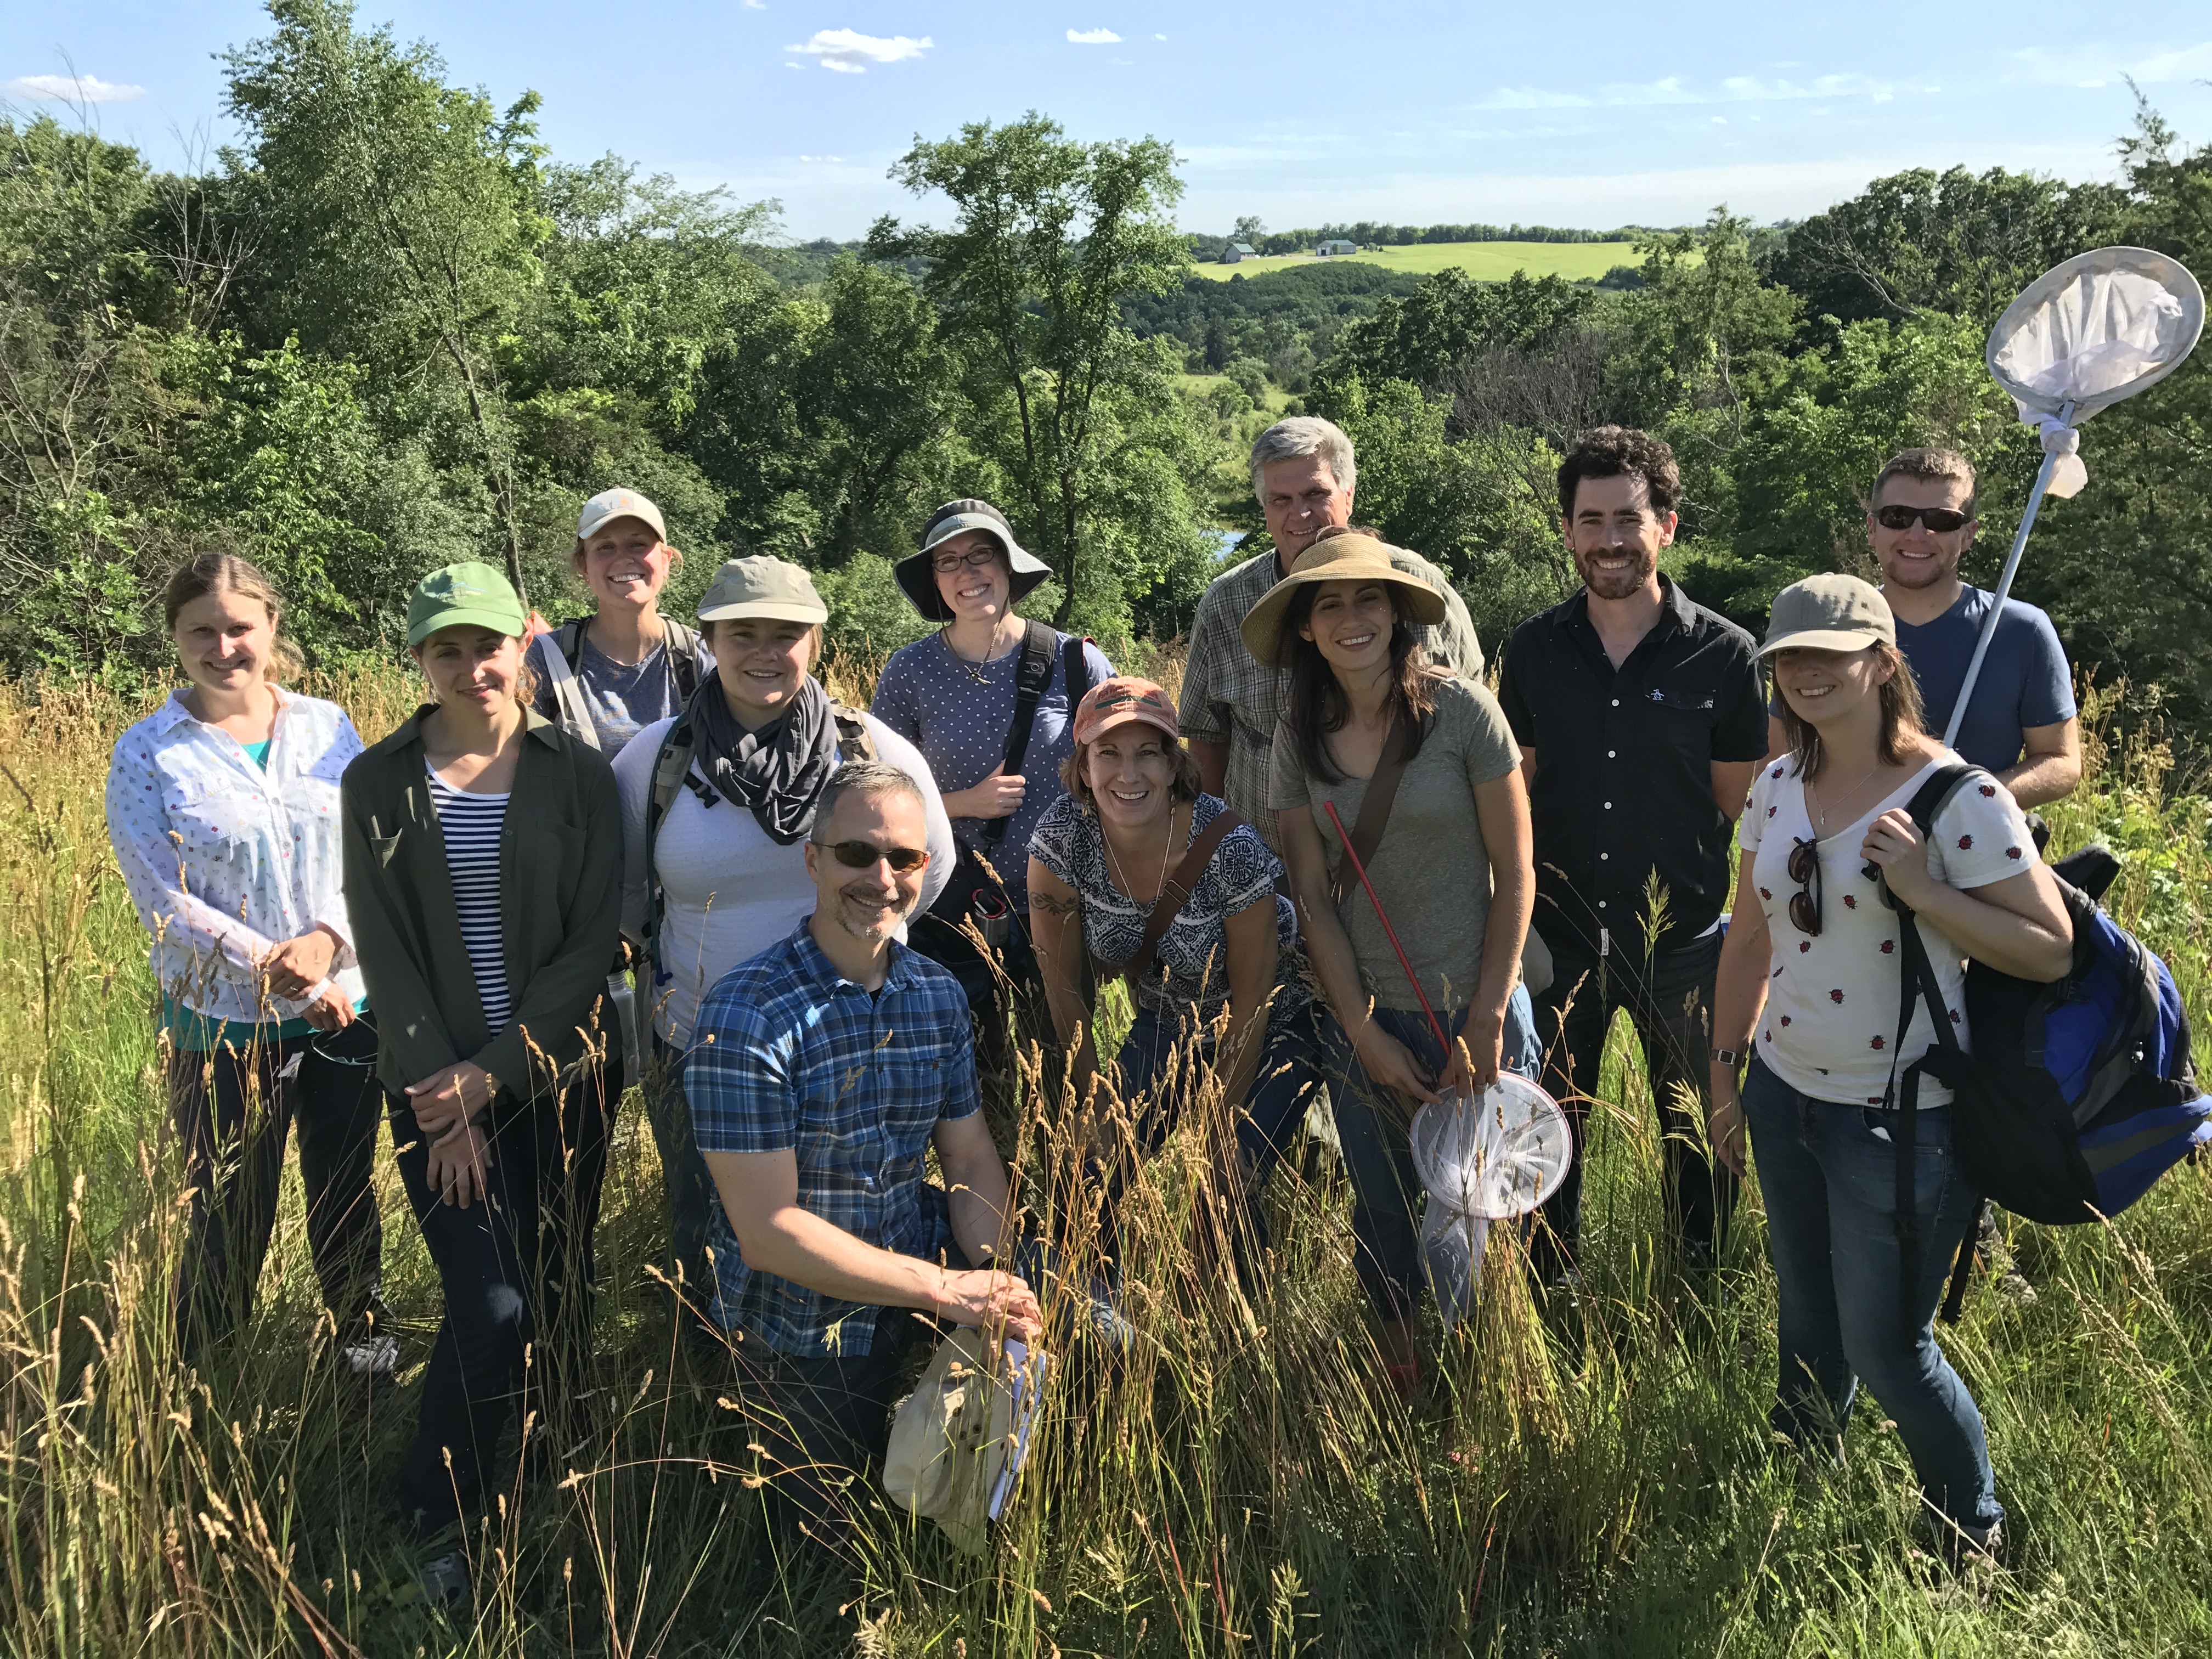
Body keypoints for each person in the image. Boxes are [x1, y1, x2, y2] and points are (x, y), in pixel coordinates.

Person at [1710, 573, 2073, 1564]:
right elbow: (1746, 937)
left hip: (1902, 1116)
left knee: (1889, 1348)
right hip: (1783, 1090)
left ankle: (1970, 1527)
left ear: (1882, 660)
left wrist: (1919, 886)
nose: (1809, 671)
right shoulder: (1779, 782)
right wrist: (1723, 1074)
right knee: (1803, 1309)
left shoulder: (1958, 795)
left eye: (1833, 652)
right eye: (1790, 656)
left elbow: (2047, 945)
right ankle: (1799, 1473)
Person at [341, 562, 624, 1607]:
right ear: (419, 659)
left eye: (487, 645)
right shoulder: (376, 781)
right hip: (427, 1088)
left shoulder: (578, 774)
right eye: (445, 649)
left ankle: (545, 1480)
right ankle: (435, 1510)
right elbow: (387, 950)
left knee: (556, 1279)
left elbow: (593, 944)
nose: (471, 667)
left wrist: (492, 1074)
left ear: (524, 647)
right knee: (488, 1297)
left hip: (563, 1078)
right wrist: (444, 1093)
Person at [684, 761, 1039, 1545]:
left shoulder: (936, 994)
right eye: (857, 854)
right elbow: (769, 1232)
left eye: (905, 859)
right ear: (813, 861)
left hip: (920, 1292)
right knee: (826, 1549)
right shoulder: (746, 1015)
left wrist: (996, 1278)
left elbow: (971, 1156)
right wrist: (953, 1290)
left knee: (975, 1502)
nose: (882, 878)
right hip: (803, 1329)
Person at [612, 556, 955, 1324]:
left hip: (849, 1044)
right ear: (708, 640)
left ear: (817, 642)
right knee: (704, 1226)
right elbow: (628, 893)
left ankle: (841, 1368)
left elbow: (929, 867)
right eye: (743, 634)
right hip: (699, 1041)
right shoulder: (656, 759)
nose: (765, 652)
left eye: (786, 634)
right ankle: (711, 1381)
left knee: (844, 1219)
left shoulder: (870, 752)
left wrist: (870, 951)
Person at [1258, 532, 1539, 1397]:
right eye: (1330, 604)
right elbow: (1310, 894)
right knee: (1382, 1209)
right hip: (1370, 1018)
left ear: (1398, 613)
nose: (1352, 619)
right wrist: (1360, 1030)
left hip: (1478, 1006)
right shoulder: (1293, 738)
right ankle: (1404, 1367)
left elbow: (1517, 871)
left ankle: (1483, 1377)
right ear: (1305, 628)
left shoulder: (1463, 713)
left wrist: (1488, 1016)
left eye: (1369, 600)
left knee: (1477, 1215)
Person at [106, 554, 390, 1381]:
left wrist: (329, 943)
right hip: (221, 1021)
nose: (224, 646)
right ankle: (202, 1390)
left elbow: (374, 847)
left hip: (346, 1004)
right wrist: (274, 963)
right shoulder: (149, 751)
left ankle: (366, 1365)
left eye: (240, 627)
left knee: (346, 1193)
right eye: (203, 630)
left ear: (271, 629)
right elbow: (160, 892)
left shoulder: (330, 726)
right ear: (175, 638)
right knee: (230, 1211)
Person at [1498, 427, 1768, 1284]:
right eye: (1591, 521)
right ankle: (1553, 1281)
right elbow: (1518, 793)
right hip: (1559, 940)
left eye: (1628, 519)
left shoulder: (1725, 654)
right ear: (1570, 532)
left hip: (1684, 943)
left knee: (1698, 1128)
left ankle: (1701, 1279)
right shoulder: (1532, 651)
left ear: (1667, 527)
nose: (1610, 540)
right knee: (1550, 1125)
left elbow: (1741, 806)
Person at [1025, 678, 1324, 1263]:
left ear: (1173, 765)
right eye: (1108, 753)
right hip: (1169, 1020)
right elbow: (1063, 987)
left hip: (1277, 1025)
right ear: (1083, 767)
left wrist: (1220, 1122)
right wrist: (1094, 1104)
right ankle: (1099, 1310)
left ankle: (1229, 1327)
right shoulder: (1062, 840)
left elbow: (1254, 999)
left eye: (1147, 753)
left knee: (1224, 1186)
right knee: (1083, 1177)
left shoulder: (1231, 847)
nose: (1128, 775)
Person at [1180, 416, 1487, 852]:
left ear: (1349, 495)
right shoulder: (1228, 603)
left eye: (1315, 494)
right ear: (1264, 510)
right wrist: (1212, 857)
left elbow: (1473, 728)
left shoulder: (1417, 585)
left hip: (1404, 869)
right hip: (1269, 873)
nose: (1299, 515)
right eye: (1280, 500)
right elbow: (1208, 740)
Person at [872, 496, 1113, 1043]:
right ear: (935, 580)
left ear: (1009, 566)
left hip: (1061, 898)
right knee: (974, 1074)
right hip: (952, 901)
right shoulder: (909, 671)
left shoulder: (1075, 662)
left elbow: (1127, 772)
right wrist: (961, 803)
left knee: (1062, 1064)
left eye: (981, 554)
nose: (967, 572)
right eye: (948, 560)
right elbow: (879, 794)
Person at [1764, 448, 2080, 807]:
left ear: (1968, 534)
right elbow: (1778, 760)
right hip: (1846, 852)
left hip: (1983, 856)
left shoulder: (2020, 630)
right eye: (1898, 516)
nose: (1918, 534)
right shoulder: (1830, 629)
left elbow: (2061, 762)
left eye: (1941, 519)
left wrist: (1967, 801)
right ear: (1872, 529)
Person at [526, 487, 711, 758]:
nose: (623, 558)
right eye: (605, 547)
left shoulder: (703, 658)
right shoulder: (544, 660)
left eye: (638, 544)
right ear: (584, 567)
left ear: (665, 560)